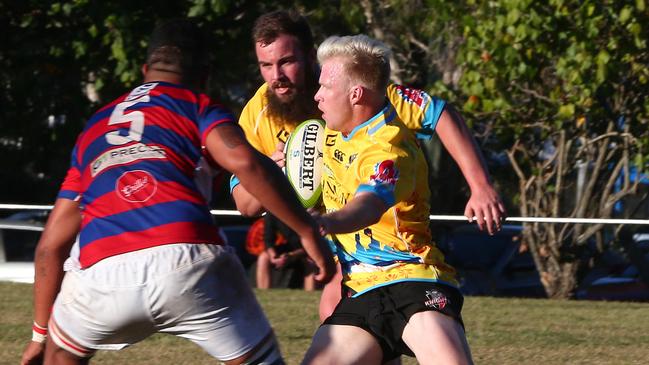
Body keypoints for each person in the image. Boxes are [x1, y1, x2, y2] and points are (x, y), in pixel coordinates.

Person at [20, 19, 334, 365]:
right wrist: (306, 231)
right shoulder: (198, 105)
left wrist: (38, 335)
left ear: (145, 69)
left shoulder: (94, 128)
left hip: (101, 271)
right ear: (205, 75)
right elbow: (245, 163)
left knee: (58, 353)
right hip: (187, 258)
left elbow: (50, 247)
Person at [232, 9, 506, 323]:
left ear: (310, 56)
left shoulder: (357, 87)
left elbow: (438, 113)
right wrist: (268, 172)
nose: (275, 76)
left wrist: (480, 186)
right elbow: (244, 203)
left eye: (287, 62)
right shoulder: (257, 114)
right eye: (265, 65)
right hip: (341, 241)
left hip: (392, 236)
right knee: (350, 323)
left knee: (340, 314)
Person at [301, 34, 476, 365]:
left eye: (325, 87)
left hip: (413, 282)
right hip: (361, 292)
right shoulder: (329, 132)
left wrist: (326, 222)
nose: (317, 95)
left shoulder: (389, 149)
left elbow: (367, 206)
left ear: (356, 94)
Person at [256, 213, 318, 290]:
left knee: (310, 261)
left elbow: (314, 243)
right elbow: (268, 240)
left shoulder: (303, 213)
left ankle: (310, 294)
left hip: (306, 250)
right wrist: (273, 256)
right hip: (289, 249)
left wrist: (292, 255)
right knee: (263, 257)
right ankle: (264, 293)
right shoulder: (272, 213)